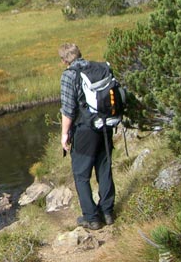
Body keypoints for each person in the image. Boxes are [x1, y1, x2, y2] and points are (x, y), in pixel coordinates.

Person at [59, 43, 115, 230]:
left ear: (64, 60)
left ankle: (91, 218)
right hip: (105, 125)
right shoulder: (100, 67)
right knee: (104, 168)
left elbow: (68, 110)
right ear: (80, 54)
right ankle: (107, 213)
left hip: (84, 130)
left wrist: (64, 135)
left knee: (81, 174)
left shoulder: (69, 75)